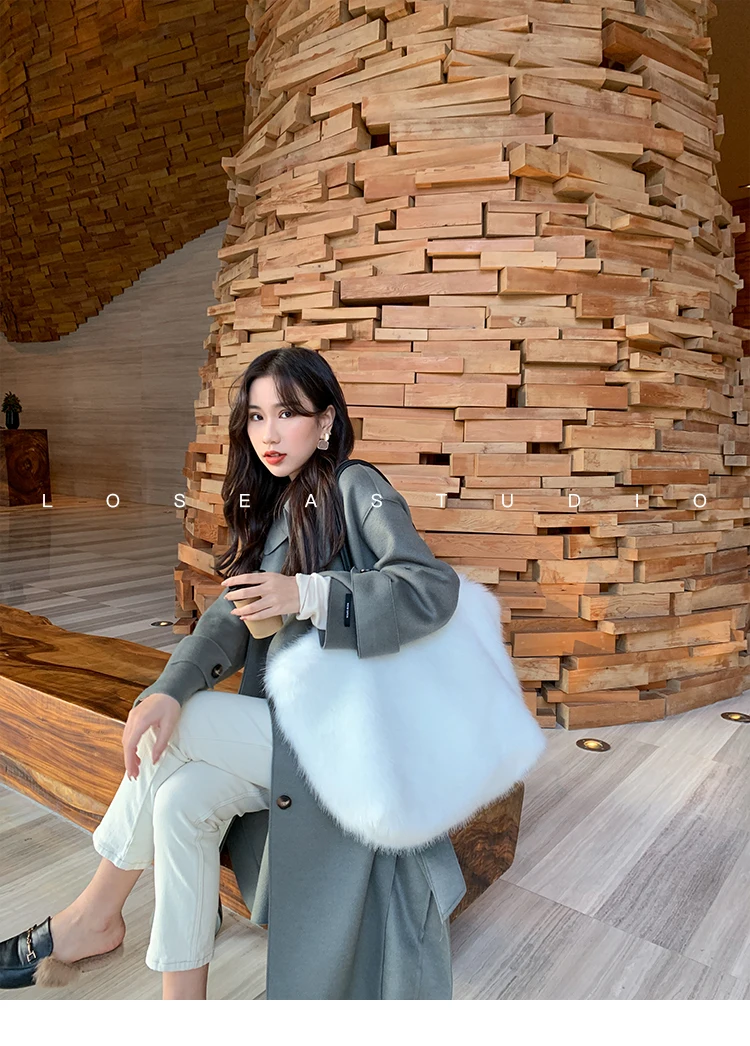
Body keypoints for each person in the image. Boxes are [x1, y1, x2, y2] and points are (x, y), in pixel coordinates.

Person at [0, 347, 466, 1000]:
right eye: (256, 416)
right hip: (294, 734)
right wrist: (167, 687)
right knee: (179, 801)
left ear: (326, 422)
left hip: (351, 741)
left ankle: (94, 915)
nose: (269, 433)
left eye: (288, 413)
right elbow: (226, 618)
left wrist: (305, 593)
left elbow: (431, 588)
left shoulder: (357, 487)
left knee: (182, 724)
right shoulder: (274, 505)